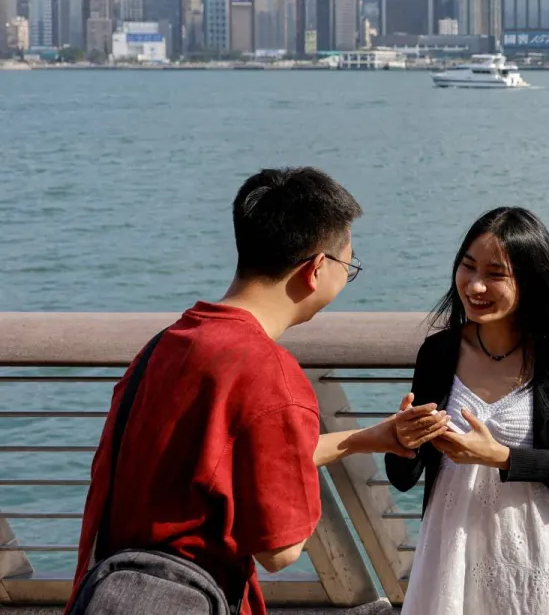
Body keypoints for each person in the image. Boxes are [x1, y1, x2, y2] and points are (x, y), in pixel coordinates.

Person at [67, 167, 429, 615]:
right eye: (348, 266)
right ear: (316, 269)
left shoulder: (166, 345)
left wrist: (363, 439)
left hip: (111, 594)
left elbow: (218, 462)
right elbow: (280, 551)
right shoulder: (271, 374)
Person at [386, 206, 549, 615]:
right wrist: (404, 441)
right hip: (452, 549)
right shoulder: (439, 353)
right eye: (467, 267)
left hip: (540, 550)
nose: (475, 285)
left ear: (530, 281)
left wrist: (501, 457)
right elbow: (403, 477)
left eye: (495, 274)